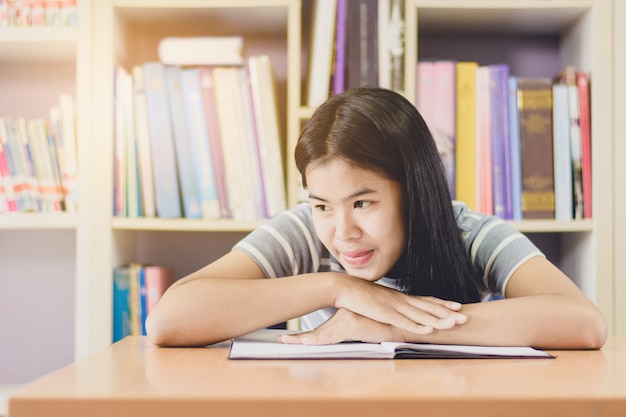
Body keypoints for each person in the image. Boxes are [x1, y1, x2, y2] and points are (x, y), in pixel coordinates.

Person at [146, 87, 606, 349]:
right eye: (322, 204)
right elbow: (167, 321)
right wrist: (337, 288)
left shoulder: (470, 235)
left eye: (363, 203)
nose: (342, 233)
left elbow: (583, 323)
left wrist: (393, 325)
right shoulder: (305, 232)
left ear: (414, 192)